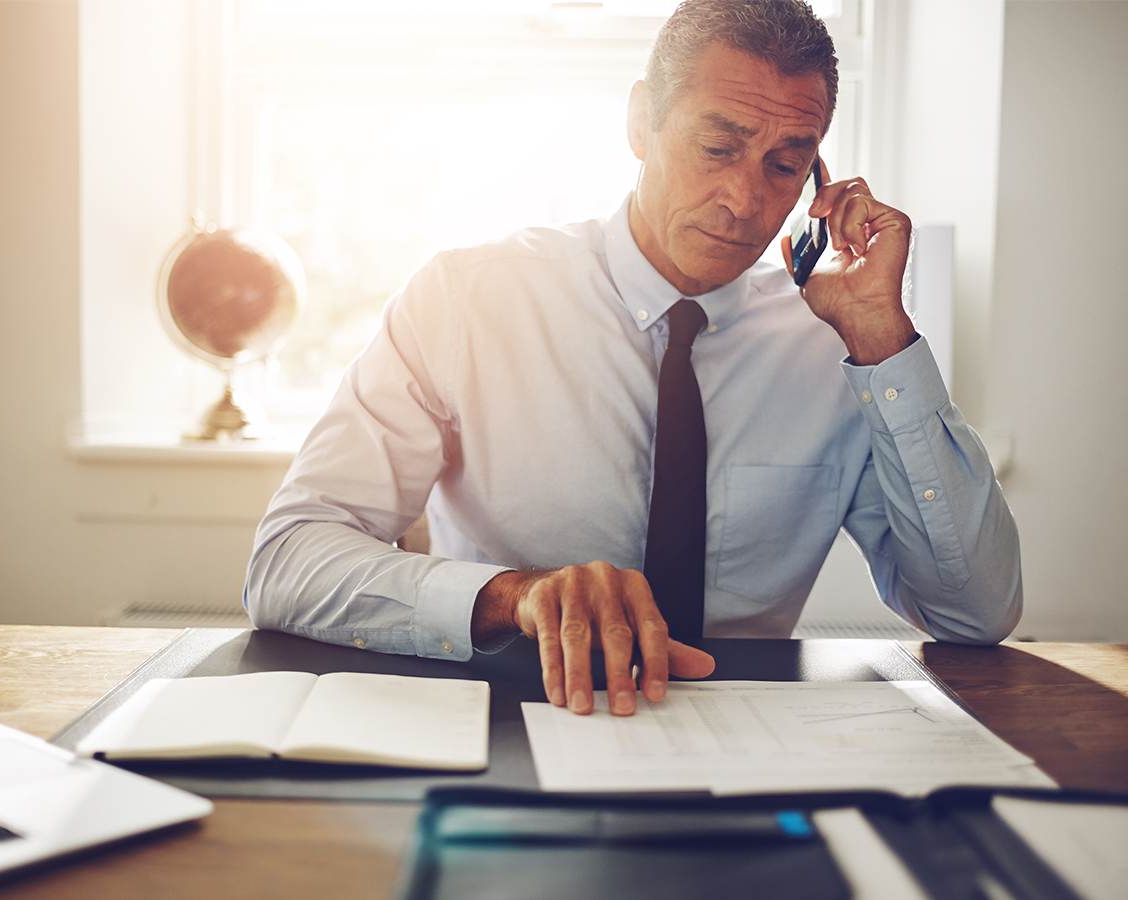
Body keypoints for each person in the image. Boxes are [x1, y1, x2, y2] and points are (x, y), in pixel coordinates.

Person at [245, 0, 1022, 718]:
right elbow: (287, 562)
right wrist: (514, 597)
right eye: (718, 146)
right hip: (511, 722)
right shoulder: (466, 300)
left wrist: (883, 340)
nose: (746, 200)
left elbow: (975, 612)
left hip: (746, 736)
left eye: (786, 164)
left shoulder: (834, 346)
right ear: (642, 122)